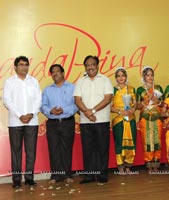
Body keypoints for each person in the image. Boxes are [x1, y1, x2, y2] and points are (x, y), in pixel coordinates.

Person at [3, 56, 42, 188]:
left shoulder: (34, 81)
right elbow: (7, 101)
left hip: (32, 121)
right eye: (21, 65)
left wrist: (31, 114)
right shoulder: (9, 82)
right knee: (16, 152)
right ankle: (17, 179)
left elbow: (38, 100)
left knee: (31, 151)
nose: (24, 67)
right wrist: (20, 115)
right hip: (15, 122)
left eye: (26, 65)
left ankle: (29, 178)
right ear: (15, 67)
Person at [74, 55, 113, 184]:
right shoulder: (80, 81)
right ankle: (89, 175)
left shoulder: (105, 80)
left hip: (101, 120)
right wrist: (87, 113)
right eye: (88, 65)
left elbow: (107, 98)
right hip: (85, 121)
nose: (90, 67)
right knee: (88, 148)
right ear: (85, 67)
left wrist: (93, 111)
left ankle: (102, 174)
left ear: (97, 65)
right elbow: (77, 100)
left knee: (102, 148)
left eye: (93, 64)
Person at [41, 64, 78, 184]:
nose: (55, 74)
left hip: (67, 122)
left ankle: (68, 175)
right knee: (54, 149)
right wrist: (50, 111)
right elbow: (42, 106)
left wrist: (64, 110)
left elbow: (77, 105)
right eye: (53, 72)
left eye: (57, 71)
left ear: (63, 73)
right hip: (52, 123)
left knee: (67, 149)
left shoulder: (73, 87)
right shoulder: (47, 90)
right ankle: (56, 175)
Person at [136, 66, 163, 173]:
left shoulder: (158, 88)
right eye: (148, 75)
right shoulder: (140, 89)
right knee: (147, 140)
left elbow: (164, 103)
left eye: (152, 75)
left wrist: (157, 101)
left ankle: (156, 161)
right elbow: (137, 106)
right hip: (145, 118)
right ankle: (148, 162)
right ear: (144, 77)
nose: (150, 77)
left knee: (157, 139)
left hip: (157, 117)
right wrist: (146, 99)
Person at [111, 67, 137, 175]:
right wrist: (120, 112)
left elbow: (135, 104)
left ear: (126, 77)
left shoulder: (131, 89)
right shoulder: (113, 90)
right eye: (118, 76)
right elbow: (110, 107)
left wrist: (131, 110)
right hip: (118, 119)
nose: (121, 78)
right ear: (116, 78)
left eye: (123, 75)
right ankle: (120, 166)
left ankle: (128, 165)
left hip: (130, 119)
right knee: (119, 143)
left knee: (131, 142)